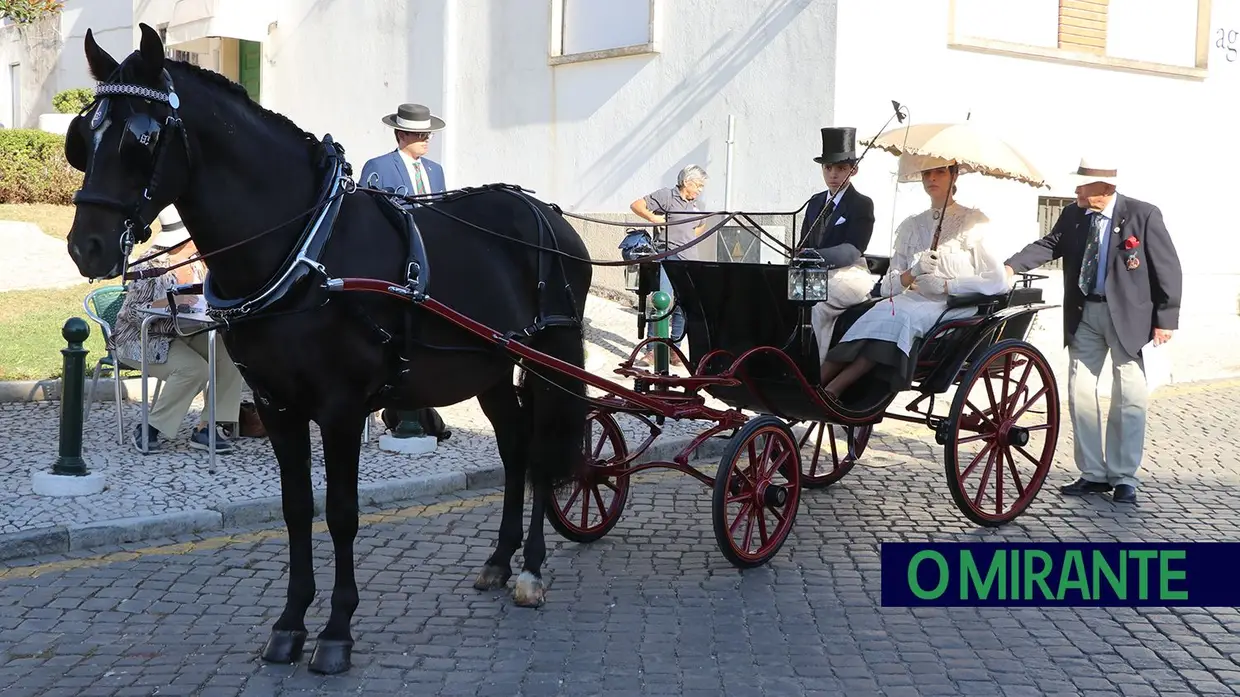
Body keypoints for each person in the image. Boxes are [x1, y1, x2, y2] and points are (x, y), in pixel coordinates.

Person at [1004, 156, 1183, 504]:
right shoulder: (1073, 214)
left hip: (1128, 319)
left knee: (1128, 397)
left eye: (1081, 184)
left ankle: (1124, 476)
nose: (1075, 190)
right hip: (1084, 314)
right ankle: (1093, 474)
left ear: (1104, 188)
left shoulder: (1143, 214)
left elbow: (1167, 267)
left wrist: (1166, 317)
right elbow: (1049, 245)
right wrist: (1010, 266)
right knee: (1081, 392)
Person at [818, 155, 1009, 410]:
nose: (931, 178)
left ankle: (834, 388)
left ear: (954, 176)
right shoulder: (911, 226)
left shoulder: (973, 222)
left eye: (940, 172)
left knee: (900, 318)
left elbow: (997, 280)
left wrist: (946, 286)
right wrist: (912, 273)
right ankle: (816, 384)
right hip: (910, 299)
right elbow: (888, 287)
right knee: (879, 312)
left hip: (953, 305)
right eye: (926, 173)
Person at [112, 206, 243, 453]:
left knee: (229, 354)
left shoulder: (200, 263)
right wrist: (169, 303)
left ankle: (207, 427)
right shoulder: (150, 265)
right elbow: (130, 313)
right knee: (193, 369)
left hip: (181, 332)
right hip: (141, 338)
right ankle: (150, 428)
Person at [359, 102, 452, 443]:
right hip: (395, 263)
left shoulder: (436, 170)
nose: (426, 139)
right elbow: (367, 216)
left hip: (432, 259)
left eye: (428, 133)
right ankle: (406, 410)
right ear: (402, 135)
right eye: (419, 133)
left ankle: (419, 408)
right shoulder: (379, 167)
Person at [800, 126, 879, 365]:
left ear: (853, 170)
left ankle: (815, 369)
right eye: (828, 167)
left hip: (851, 272)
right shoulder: (814, 203)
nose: (833, 174)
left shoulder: (861, 204)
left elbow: (852, 250)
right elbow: (803, 242)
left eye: (841, 168)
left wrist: (813, 255)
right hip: (816, 273)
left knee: (817, 302)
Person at [629, 164, 709, 366]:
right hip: (667, 258)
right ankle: (653, 351)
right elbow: (637, 205)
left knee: (683, 306)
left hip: (688, 260)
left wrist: (688, 240)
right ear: (687, 182)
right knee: (661, 302)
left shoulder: (695, 204)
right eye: (698, 185)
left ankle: (675, 349)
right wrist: (653, 218)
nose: (700, 190)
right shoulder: (667, 196)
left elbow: (701, 225)